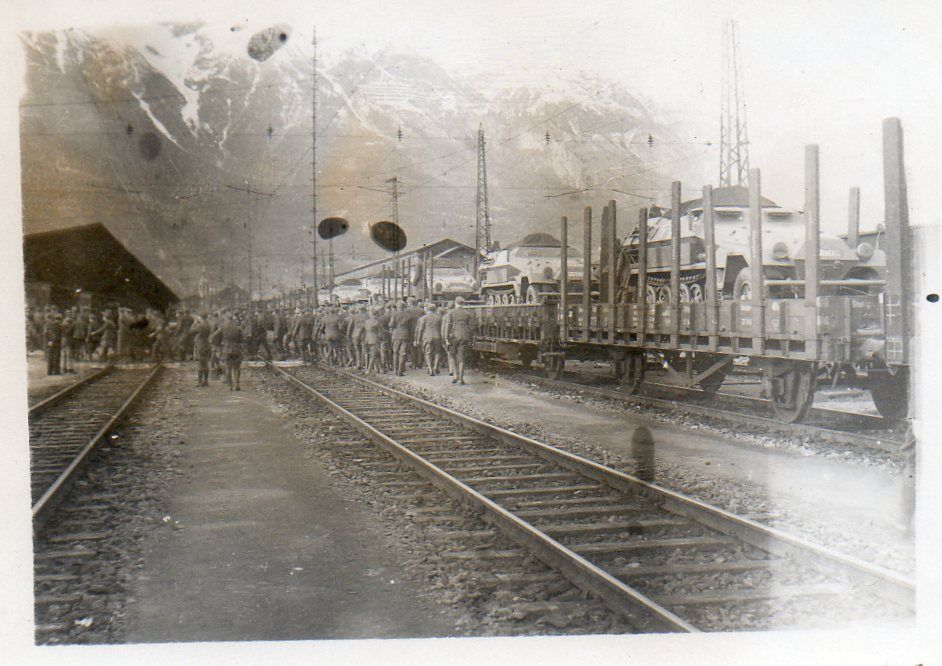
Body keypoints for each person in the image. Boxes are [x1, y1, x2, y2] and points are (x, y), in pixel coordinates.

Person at [443, 296, 474, 385]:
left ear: (455, 303)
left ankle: (455, 375)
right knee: (461, 357)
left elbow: (448, 326)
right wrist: (469, 338)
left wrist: (446, 338)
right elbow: (471, 328)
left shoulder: (451, 313)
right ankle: (461, 377)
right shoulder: (467, 313)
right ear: (463, 303)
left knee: (451, 355)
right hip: (464, 337)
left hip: (453, 337)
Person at [211, 310, 245, 390]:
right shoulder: (238, 327)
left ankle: (230, 386)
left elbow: (214, 336)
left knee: (228, 368)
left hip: (226, 349)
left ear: (226, 318)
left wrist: (218, 344)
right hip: (236, 349)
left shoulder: (223, 327)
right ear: (233, 319)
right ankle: (237, 384)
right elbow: (242, 340)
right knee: (237, 368)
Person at [414, 302, 443, 375]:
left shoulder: (424, 318)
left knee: (428, 353)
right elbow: (441, 328)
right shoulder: (439, 318)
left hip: (427, 337)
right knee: (438, 352)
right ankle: (436, 366)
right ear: (435, 309)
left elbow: (420, 329)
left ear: (427, 309)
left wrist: (418, 339)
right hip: (437, 336)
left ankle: (430, 369)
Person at [389, 301, 414, 376]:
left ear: (397, 306)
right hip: (405, 334)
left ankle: (395, 370)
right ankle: (400, 370)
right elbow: (410, 327)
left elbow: (391, 325)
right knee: (403, 353)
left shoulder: (394, 314)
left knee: (395, 352)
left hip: (396, 334)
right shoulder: (408, 315)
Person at [191, 313, 213, 387]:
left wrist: (194, 323)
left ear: (201, 317)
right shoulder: (209, 325)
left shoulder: (200, 325)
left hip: (200, 344)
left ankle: (199, 381)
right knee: (206, 363)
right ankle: (206, 381)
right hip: (207, 344)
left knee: (200, 363)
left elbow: (191, 331)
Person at [363, 307, 383, 374]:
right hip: (374, 339)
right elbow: (381, 332)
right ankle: (369, 370)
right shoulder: (377, 322)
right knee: (374, 354)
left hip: (367, 338)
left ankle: (381, 369)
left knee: (377, 354)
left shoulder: (367, 321)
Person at [43, 310, 62, 375]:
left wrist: (48, 342)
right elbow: (56, 335)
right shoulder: (56, 326)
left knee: (50, 357)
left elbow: (46, 334)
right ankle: (56, 371)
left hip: (49, 343)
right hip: (56, 343)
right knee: (56, 357)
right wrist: (52, 341)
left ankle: (49, 371)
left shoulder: (47, 325)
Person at [440, 302, 457, 377]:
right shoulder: (457, 315)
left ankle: (451, 369)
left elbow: (443, 328)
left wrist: (443, 337)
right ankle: (453, 369)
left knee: (449, 353)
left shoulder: (445, 316)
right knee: (455, 353)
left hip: (448, 337)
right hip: (456, 336)